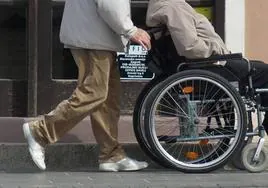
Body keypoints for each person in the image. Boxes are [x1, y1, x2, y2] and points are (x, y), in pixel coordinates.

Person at [23, 0, 151, 172]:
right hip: (94, 37)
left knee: (107, 100)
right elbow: (110, 4)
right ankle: (40, 132)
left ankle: (111, 155)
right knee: (94, 93)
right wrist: (131, 30)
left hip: (95, 34)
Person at [146, 0, 268, 132]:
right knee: (265, 73)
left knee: (260, 67)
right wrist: (216, 49)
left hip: (205, 65)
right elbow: (190, 47)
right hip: (208, 65)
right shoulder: (172, 8)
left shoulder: (167, 6)